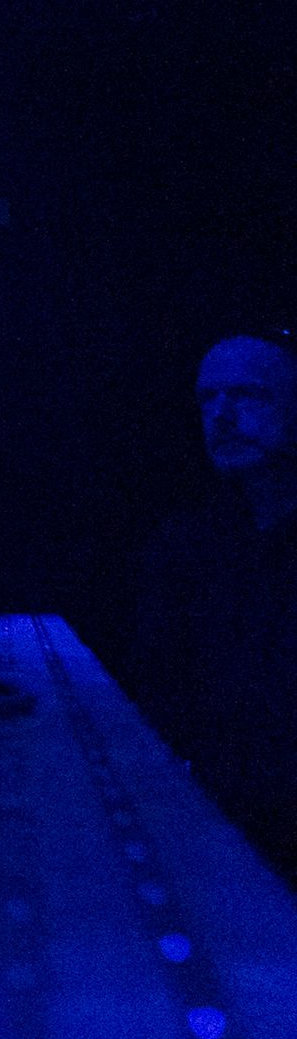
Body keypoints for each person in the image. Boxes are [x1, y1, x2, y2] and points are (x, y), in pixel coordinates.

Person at [130, 332, 297, 863]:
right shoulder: (184, 546)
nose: (221, 415)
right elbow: (160, 693)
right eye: (208, 398)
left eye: (249, 395)